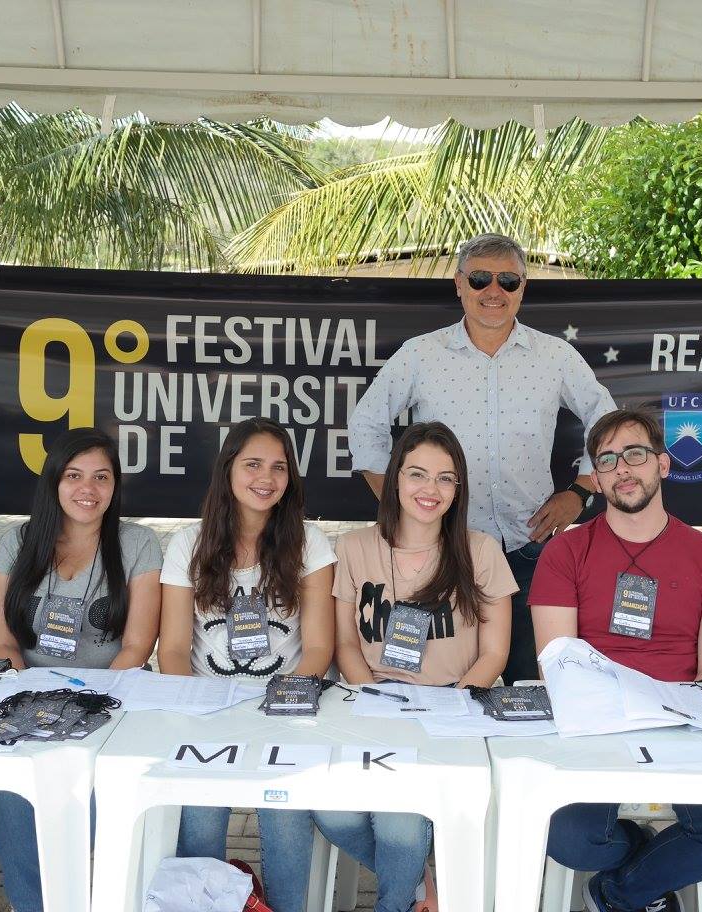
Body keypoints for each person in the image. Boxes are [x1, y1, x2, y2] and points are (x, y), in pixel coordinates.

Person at [348, 232, 616, 685]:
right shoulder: (421, 354)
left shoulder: (554, 356)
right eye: (480, 279)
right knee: (442, 685)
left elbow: (606, 421)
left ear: (522, 287)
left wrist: (581, 490)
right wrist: (401, 502)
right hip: (446, 551)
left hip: (529, 549)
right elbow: (365, 425)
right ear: (459, 284)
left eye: (508, 280)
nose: (494, 291)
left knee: (531, 686)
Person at [529, 408, 702, 912]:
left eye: (635, 454)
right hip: (594, 723)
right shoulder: (565, 553)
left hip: (682, 719)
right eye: (607, 460)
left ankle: (616, 893)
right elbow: (557, 665)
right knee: (569, 838)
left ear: (663, 464)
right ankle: (647, 864)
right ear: (596, 477)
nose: (623, 469)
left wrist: (668, 711)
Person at [315, 421, 516, 912]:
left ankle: (397, 902)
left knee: (399, 822)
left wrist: (447, 708)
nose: (431, 489)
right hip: (371, 700)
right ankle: (421, 881)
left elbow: (494, 653)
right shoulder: (354, 548)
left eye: (446, 478)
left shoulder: (480, 550)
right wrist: (377, 701)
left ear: (458, 489)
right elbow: (345, 643)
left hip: (453, 704)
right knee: (331, 814)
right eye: (418, 474)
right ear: (395, 478)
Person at [0, 427, 162, 912]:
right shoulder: (19, 541)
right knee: (1, 786)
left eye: (102, 477)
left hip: (113, 702)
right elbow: (1, 641)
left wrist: (85, 706)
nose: (88, 489)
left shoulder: (138, 543)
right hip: (25, 698)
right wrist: (30, 703)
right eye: (74, 475)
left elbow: (138, 645)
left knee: (92, 799)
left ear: (115, 485)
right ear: (54, 481)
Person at [158, 417, 336, 912]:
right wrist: (201, 710)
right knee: (200, 818)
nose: (266, 478)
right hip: (206, 710)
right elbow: (172, 649)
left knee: (285, 815)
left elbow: (318, 649)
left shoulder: (310, 542)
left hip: (286, 711)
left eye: (279, 467)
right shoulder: (188, 544)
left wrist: (281, 708)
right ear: (228, 470)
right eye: (253, 464)